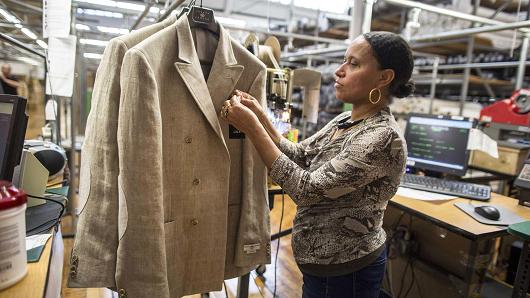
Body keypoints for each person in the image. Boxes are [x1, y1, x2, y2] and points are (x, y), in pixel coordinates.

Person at [220, 31, 414, 298]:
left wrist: (252, 128)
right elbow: (301, 155)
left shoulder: (381, 137)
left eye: (354, 64)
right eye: (344, 61)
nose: (339, 71)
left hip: (347, 271)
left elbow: (306, 190)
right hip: (322, 267)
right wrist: (262, 117)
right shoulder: (345, 120)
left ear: (384, 77)